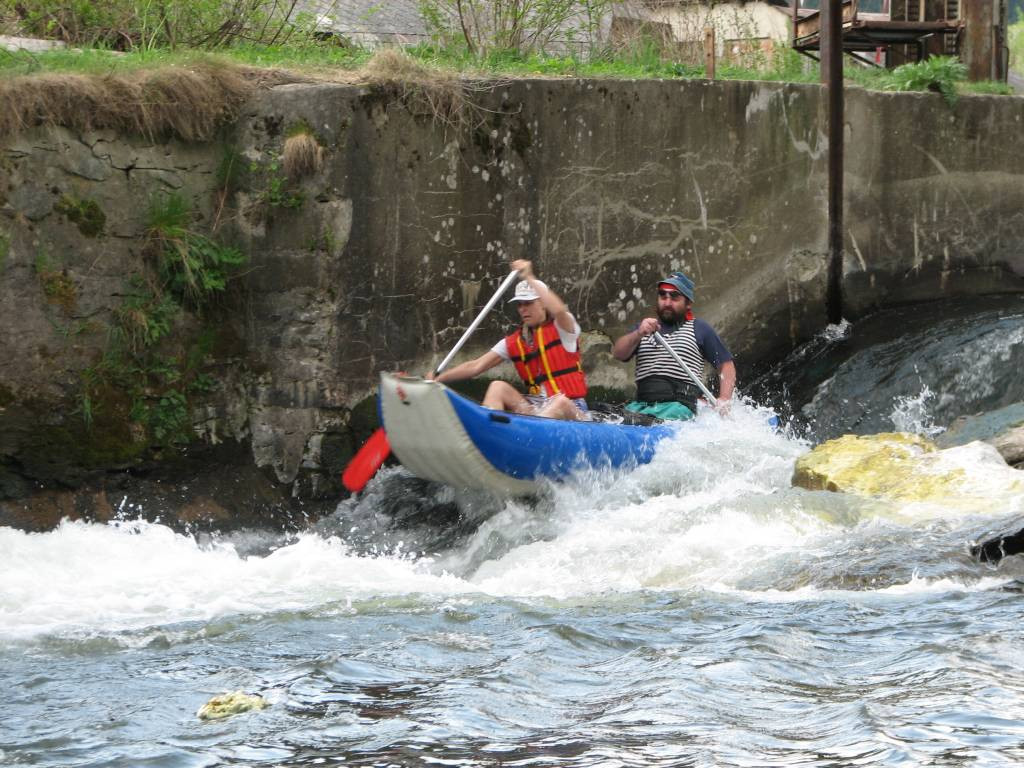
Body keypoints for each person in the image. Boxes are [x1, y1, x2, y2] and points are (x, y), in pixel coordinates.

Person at [431, 260, 588, 420]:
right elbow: (475, 366)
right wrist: (437, 379)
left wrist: (529, 276)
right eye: (520, 304)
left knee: (560, 402)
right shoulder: (514, 342)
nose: (523, 309)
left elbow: (559, 310)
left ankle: (528, 430)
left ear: (543, 304)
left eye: (528, 303)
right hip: (537, 408)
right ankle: (492, 427)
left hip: (573, 410)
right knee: (497, 387)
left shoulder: (564, 328)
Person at [611, 271, 735, 420]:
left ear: (688, 303)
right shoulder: (643, 328)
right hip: (642, 405)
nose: (667, 302)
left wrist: (724, 399)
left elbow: (726, 365)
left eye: (674, 297)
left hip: (678, 407)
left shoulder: (700, 328)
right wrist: (638, 333)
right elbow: (618, 353)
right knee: (609, 413)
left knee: (644, 420)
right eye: (663, 296)